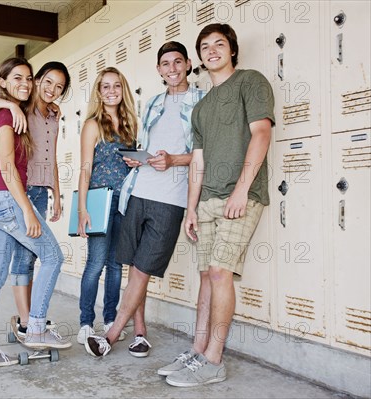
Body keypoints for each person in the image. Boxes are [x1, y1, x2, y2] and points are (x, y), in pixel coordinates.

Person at [164, 23, 274, 387]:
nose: (212, 50)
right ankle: (198, 349)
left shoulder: (251, 81)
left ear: (232, 50)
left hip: (240, 195)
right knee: (206, 277)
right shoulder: (202, 107)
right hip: (207, 201)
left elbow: (261, 132)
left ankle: (214, 359)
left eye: (219, 44)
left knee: (220, 272)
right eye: (205, 46)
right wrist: (191, 208)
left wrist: (242, 189)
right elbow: (198, 160)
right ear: (200, 56)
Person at [84, 42, 205, 358]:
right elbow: (147, 147)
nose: (172, 69)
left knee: (142, 268)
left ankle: (109, 336)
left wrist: (175, 159)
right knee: (134, 266)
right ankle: (139, 333)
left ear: (188, 64)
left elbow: (203, 153)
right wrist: (139, 159)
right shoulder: (152, 103)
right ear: (159, 70)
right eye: (165, 64)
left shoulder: (202, 102)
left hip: (171, 199)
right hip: (137, 192)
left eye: (178, 62)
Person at [0, 57, 71, 372]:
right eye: (18, 78)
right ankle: (37, 326)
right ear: (2, 81)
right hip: (7, 199)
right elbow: (7, 169)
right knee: (53, 257)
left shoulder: (5, 112)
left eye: (28, 78)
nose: (26, 84)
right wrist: (28, 211)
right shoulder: (5, 113)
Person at [76, 67, 138, 344]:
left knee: (116, 265)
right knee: (96, 263)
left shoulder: (129, 124)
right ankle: (85, 322)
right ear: (99, 93)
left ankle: (110, 318)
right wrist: (82, 208)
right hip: (100, 199)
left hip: (125, 200)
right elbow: (85, 169)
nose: (111, 91)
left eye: (116, 86)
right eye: (105, 87)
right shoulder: (92, 125)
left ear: (122, 89)